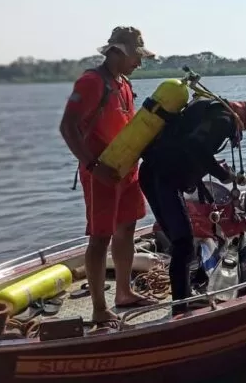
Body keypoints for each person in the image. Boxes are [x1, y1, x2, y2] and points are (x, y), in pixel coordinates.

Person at [59, 26, 159, 328]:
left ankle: (124, 292)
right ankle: (99, 308)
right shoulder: (92, 82)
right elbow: (68, 127)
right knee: (100, 237)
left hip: (127, 168)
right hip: (100, 171)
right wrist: (91, 165)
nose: (139, 63)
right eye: (136, 57)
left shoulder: (124, 83)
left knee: (127, 228)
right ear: (119, 52)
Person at [139, 96, 246, 315]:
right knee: (183, 243)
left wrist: (211, 170)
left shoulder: (213, 107)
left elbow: (187, 144)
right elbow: (194, 146)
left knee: (180, 241)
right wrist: (224, 175)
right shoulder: (225, 119)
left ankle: (184, 295)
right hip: (163, 180)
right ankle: (181, 309)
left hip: (154, 174)